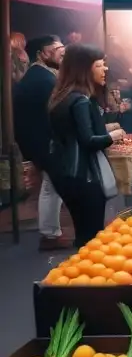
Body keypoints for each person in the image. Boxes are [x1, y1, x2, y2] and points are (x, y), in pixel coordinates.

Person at [48, 44, 125, 247]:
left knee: (83, 235)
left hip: (66, 174)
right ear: (85, 69)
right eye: (99, 65)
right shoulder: (81, 101)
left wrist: (106, 127)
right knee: (92, 239)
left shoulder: (63, 96)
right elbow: (88, 141)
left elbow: (72, 131)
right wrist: (114, 135)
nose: (105, 69)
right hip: (84, 176)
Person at [14, 35, 69, 250]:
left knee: (51, 186)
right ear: (42, 54)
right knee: (51, 186)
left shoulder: (41, 75)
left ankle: (51, 232)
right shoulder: (43, 79)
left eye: (62, 47)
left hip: (38, 141)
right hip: (43, 142)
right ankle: (49, 235)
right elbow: (53, 113)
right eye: (56, 48)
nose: (61, 51)